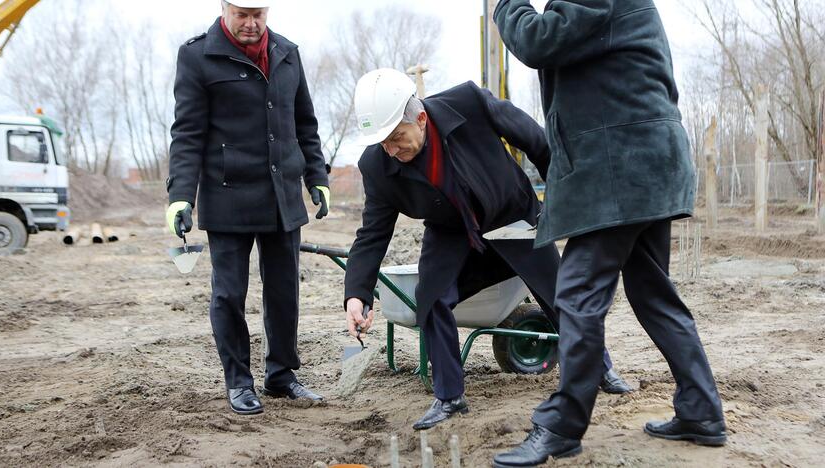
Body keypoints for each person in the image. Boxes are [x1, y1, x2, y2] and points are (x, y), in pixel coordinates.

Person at [491, 1, 726, 465]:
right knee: (654, 294)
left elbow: (536, 40)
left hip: (622, 167)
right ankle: (701, 410)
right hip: (643, 165)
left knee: (577, 293)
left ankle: (562, 425)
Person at [343, 69, 632, 431]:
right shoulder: (377, 166)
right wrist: (356, 294)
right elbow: (372, 234)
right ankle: (449, 397)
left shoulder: (468, 103)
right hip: (450, 230)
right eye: (382, 142)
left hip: (511, 213)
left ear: (420, 118)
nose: (391, 149)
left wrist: (563, 202)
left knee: (557, 292)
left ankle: (600, 368)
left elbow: (537, 142)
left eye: (397, 138)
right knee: (430, 298)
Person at [165, 0, 330, 415]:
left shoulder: (287, 53)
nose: (251, 23)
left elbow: (304, 124)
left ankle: (282, 375)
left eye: (259, 14)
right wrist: (180, 195)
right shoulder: (198, 55)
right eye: (242, 14)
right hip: (228, 195)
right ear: (225, 9)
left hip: (281, 196)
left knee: (283, 292)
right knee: (229, 295)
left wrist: (318, 178)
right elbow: (187, 133)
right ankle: (239, 381)